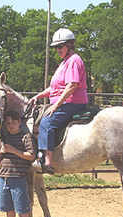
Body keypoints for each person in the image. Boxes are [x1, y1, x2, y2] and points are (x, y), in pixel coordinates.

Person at [29, 28, 88, 174]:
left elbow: (71, 86)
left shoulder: (74, 60)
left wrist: (56, 105)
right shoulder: (64, 63)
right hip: (65, 101)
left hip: (73, 102)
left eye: (60, 46)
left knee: (47, 121)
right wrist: (38, 96)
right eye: (56, 47)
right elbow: (53, 88)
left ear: (69, 45)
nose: (58, 50)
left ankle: (46, 161)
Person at [0, 111, 36, 217]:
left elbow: (31, 156)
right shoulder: (4, 138)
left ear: (19, 122)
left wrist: (13, 150)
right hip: (4, 176)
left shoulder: (25, 137)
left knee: (21, 207)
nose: (10, 125)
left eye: (13, 122)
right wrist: (0, 153)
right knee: (8, 206)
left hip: (18, 176)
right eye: (8, 123)